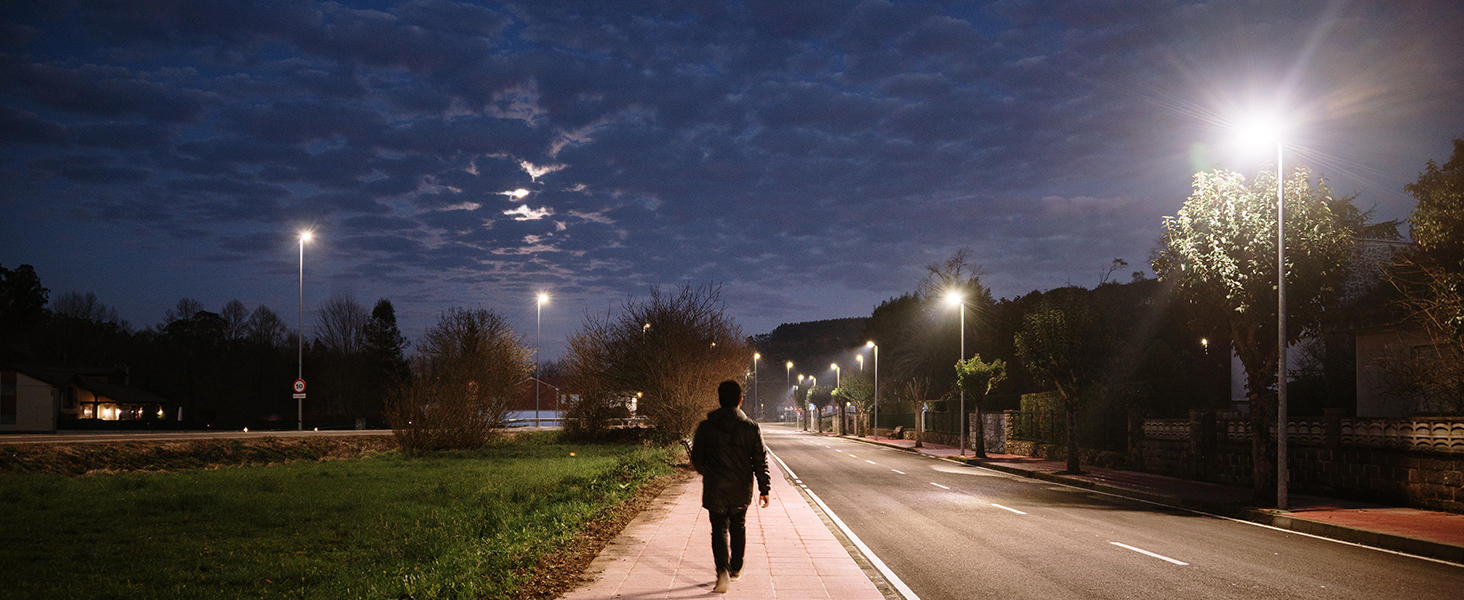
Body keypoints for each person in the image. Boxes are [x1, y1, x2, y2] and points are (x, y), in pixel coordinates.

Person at [690, 380, 771, 594]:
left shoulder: (706, 427)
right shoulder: (751, 428)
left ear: (719, 400)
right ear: (740, 401)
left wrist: (709, 473)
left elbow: (697, 459)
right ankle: (736, 567)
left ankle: (722, 572)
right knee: (738, 526)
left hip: (715, 486)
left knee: (718, 530)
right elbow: (760, 460)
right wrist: (764, 489)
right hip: (741, 489)